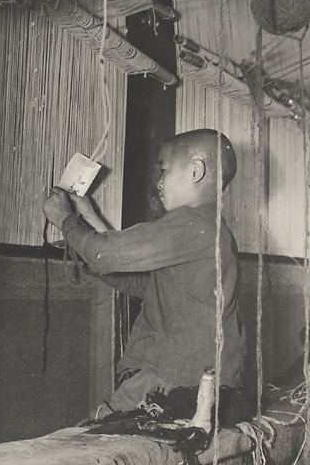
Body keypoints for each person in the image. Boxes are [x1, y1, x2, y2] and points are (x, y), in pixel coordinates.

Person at [43, 129, 246, 419]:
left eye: (164, 171)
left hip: (172, 381)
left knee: (87, 437)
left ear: (196, 170)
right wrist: (87, 217)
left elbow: (106, 255)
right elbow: (145, 283)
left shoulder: (188, 222)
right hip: (204, 382)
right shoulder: (212, 229)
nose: (159, 183)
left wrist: (64, 219)